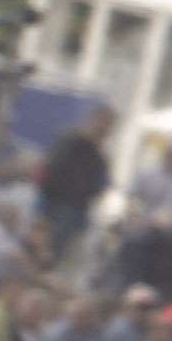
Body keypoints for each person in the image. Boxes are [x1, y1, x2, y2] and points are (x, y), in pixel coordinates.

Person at [40, 106, 115, 264]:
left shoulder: (101, 155)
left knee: (58, 250)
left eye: (108, 124)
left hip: (76, 207)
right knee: (44, 244)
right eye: (102, 122)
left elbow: (100, 185)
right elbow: (53, 164)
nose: (103, 127)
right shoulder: (72, 139)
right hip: (55, 200)